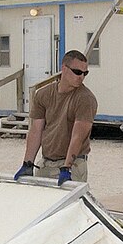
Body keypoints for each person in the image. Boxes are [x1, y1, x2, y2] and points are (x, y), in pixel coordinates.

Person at [13, 50, 97, 186]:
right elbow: (36, 130)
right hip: (46, 162)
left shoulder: (86, 99)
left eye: (85, 73)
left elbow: (78, 137)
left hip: (73, 164)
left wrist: (67, 167)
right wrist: (27, 163)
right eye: (77, 72)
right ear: (64, 68)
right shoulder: (43, 94)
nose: (81, 77)